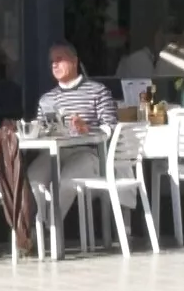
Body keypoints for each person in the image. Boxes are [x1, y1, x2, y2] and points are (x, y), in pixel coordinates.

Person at [25, 43, 119, 222]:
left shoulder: (97, 91)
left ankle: (51, 230)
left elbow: (112, 127)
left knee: (66, 182)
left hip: (89, 154)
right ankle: (37, 232)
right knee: (32, 181)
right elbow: (41, 131)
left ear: (75, 61)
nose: (54, 65)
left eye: (59, 59)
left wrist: (88, 129)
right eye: (52, 61)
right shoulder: (47, 99)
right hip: (54, 154)